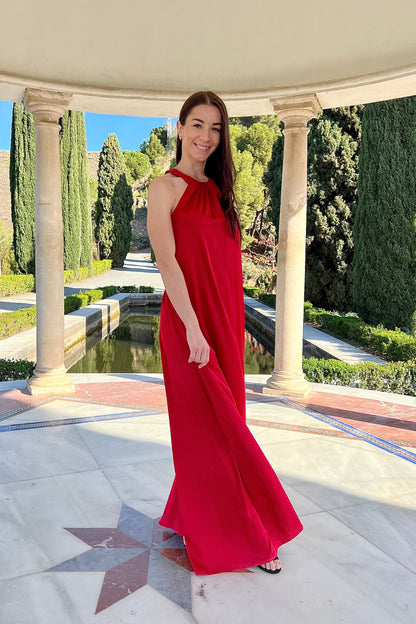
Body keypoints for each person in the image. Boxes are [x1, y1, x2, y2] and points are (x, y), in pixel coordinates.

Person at [147, 91, 302, 576]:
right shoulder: (164, 188)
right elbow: (168, 262)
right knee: (213, 434)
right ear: (179, 128)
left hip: (225, 323)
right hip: (188, 325)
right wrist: (193, 328)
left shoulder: (220, 192)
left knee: (224, 424)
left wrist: (224, 328)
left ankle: (187, 514)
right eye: (197, 124)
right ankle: (251, 536)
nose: (205, 136)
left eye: (215, 128)